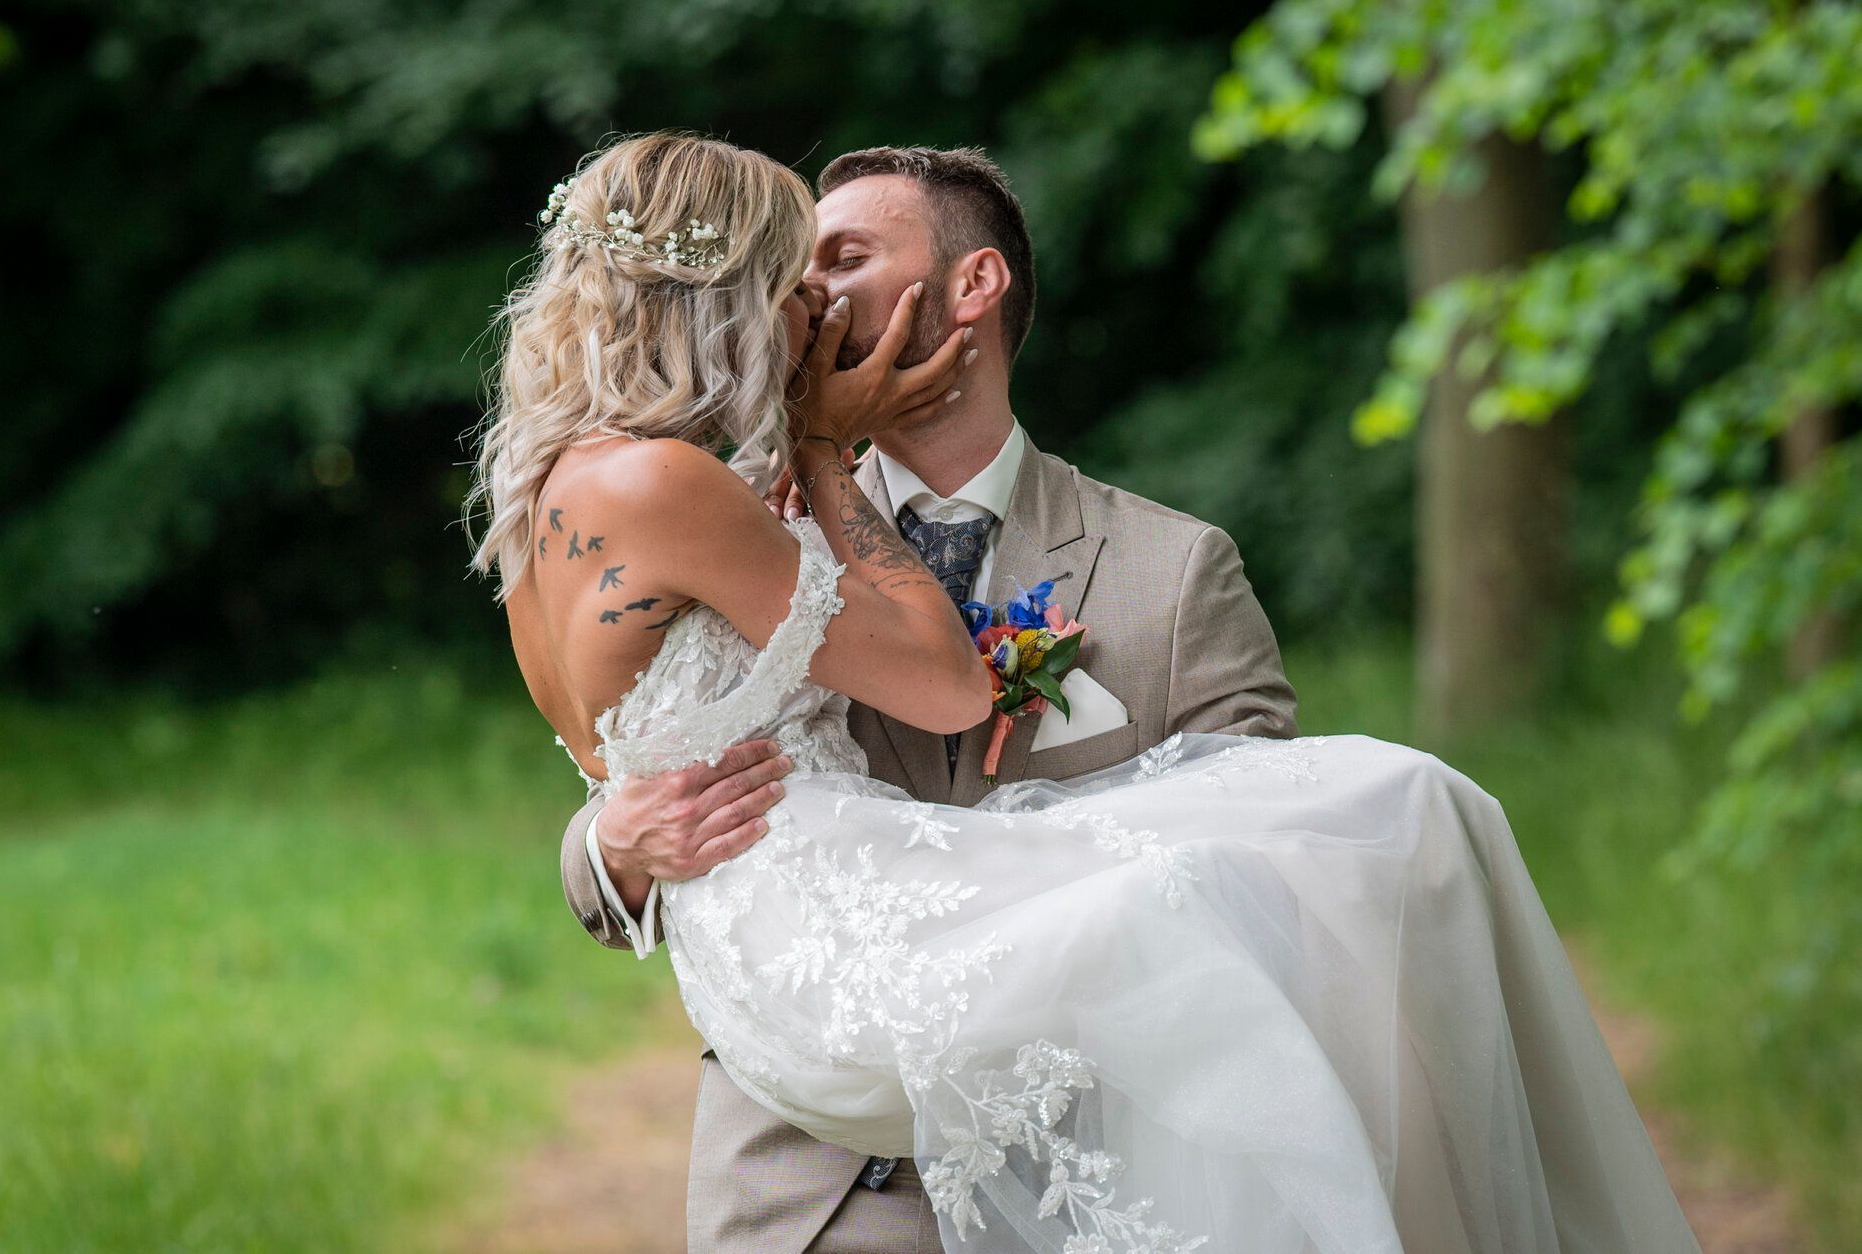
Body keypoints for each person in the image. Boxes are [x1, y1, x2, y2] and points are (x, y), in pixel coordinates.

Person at [473, 131, 1701, 1254]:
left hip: (1102, 1176)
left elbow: (1285, 884)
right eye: (797, 266)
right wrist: (614, 846)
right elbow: (651, 782)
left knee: (1378, 818)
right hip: (820, 1185)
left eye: (842, 257)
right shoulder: (721, 497)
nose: (813, 295)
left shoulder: (1173, 572)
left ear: (973, 288)